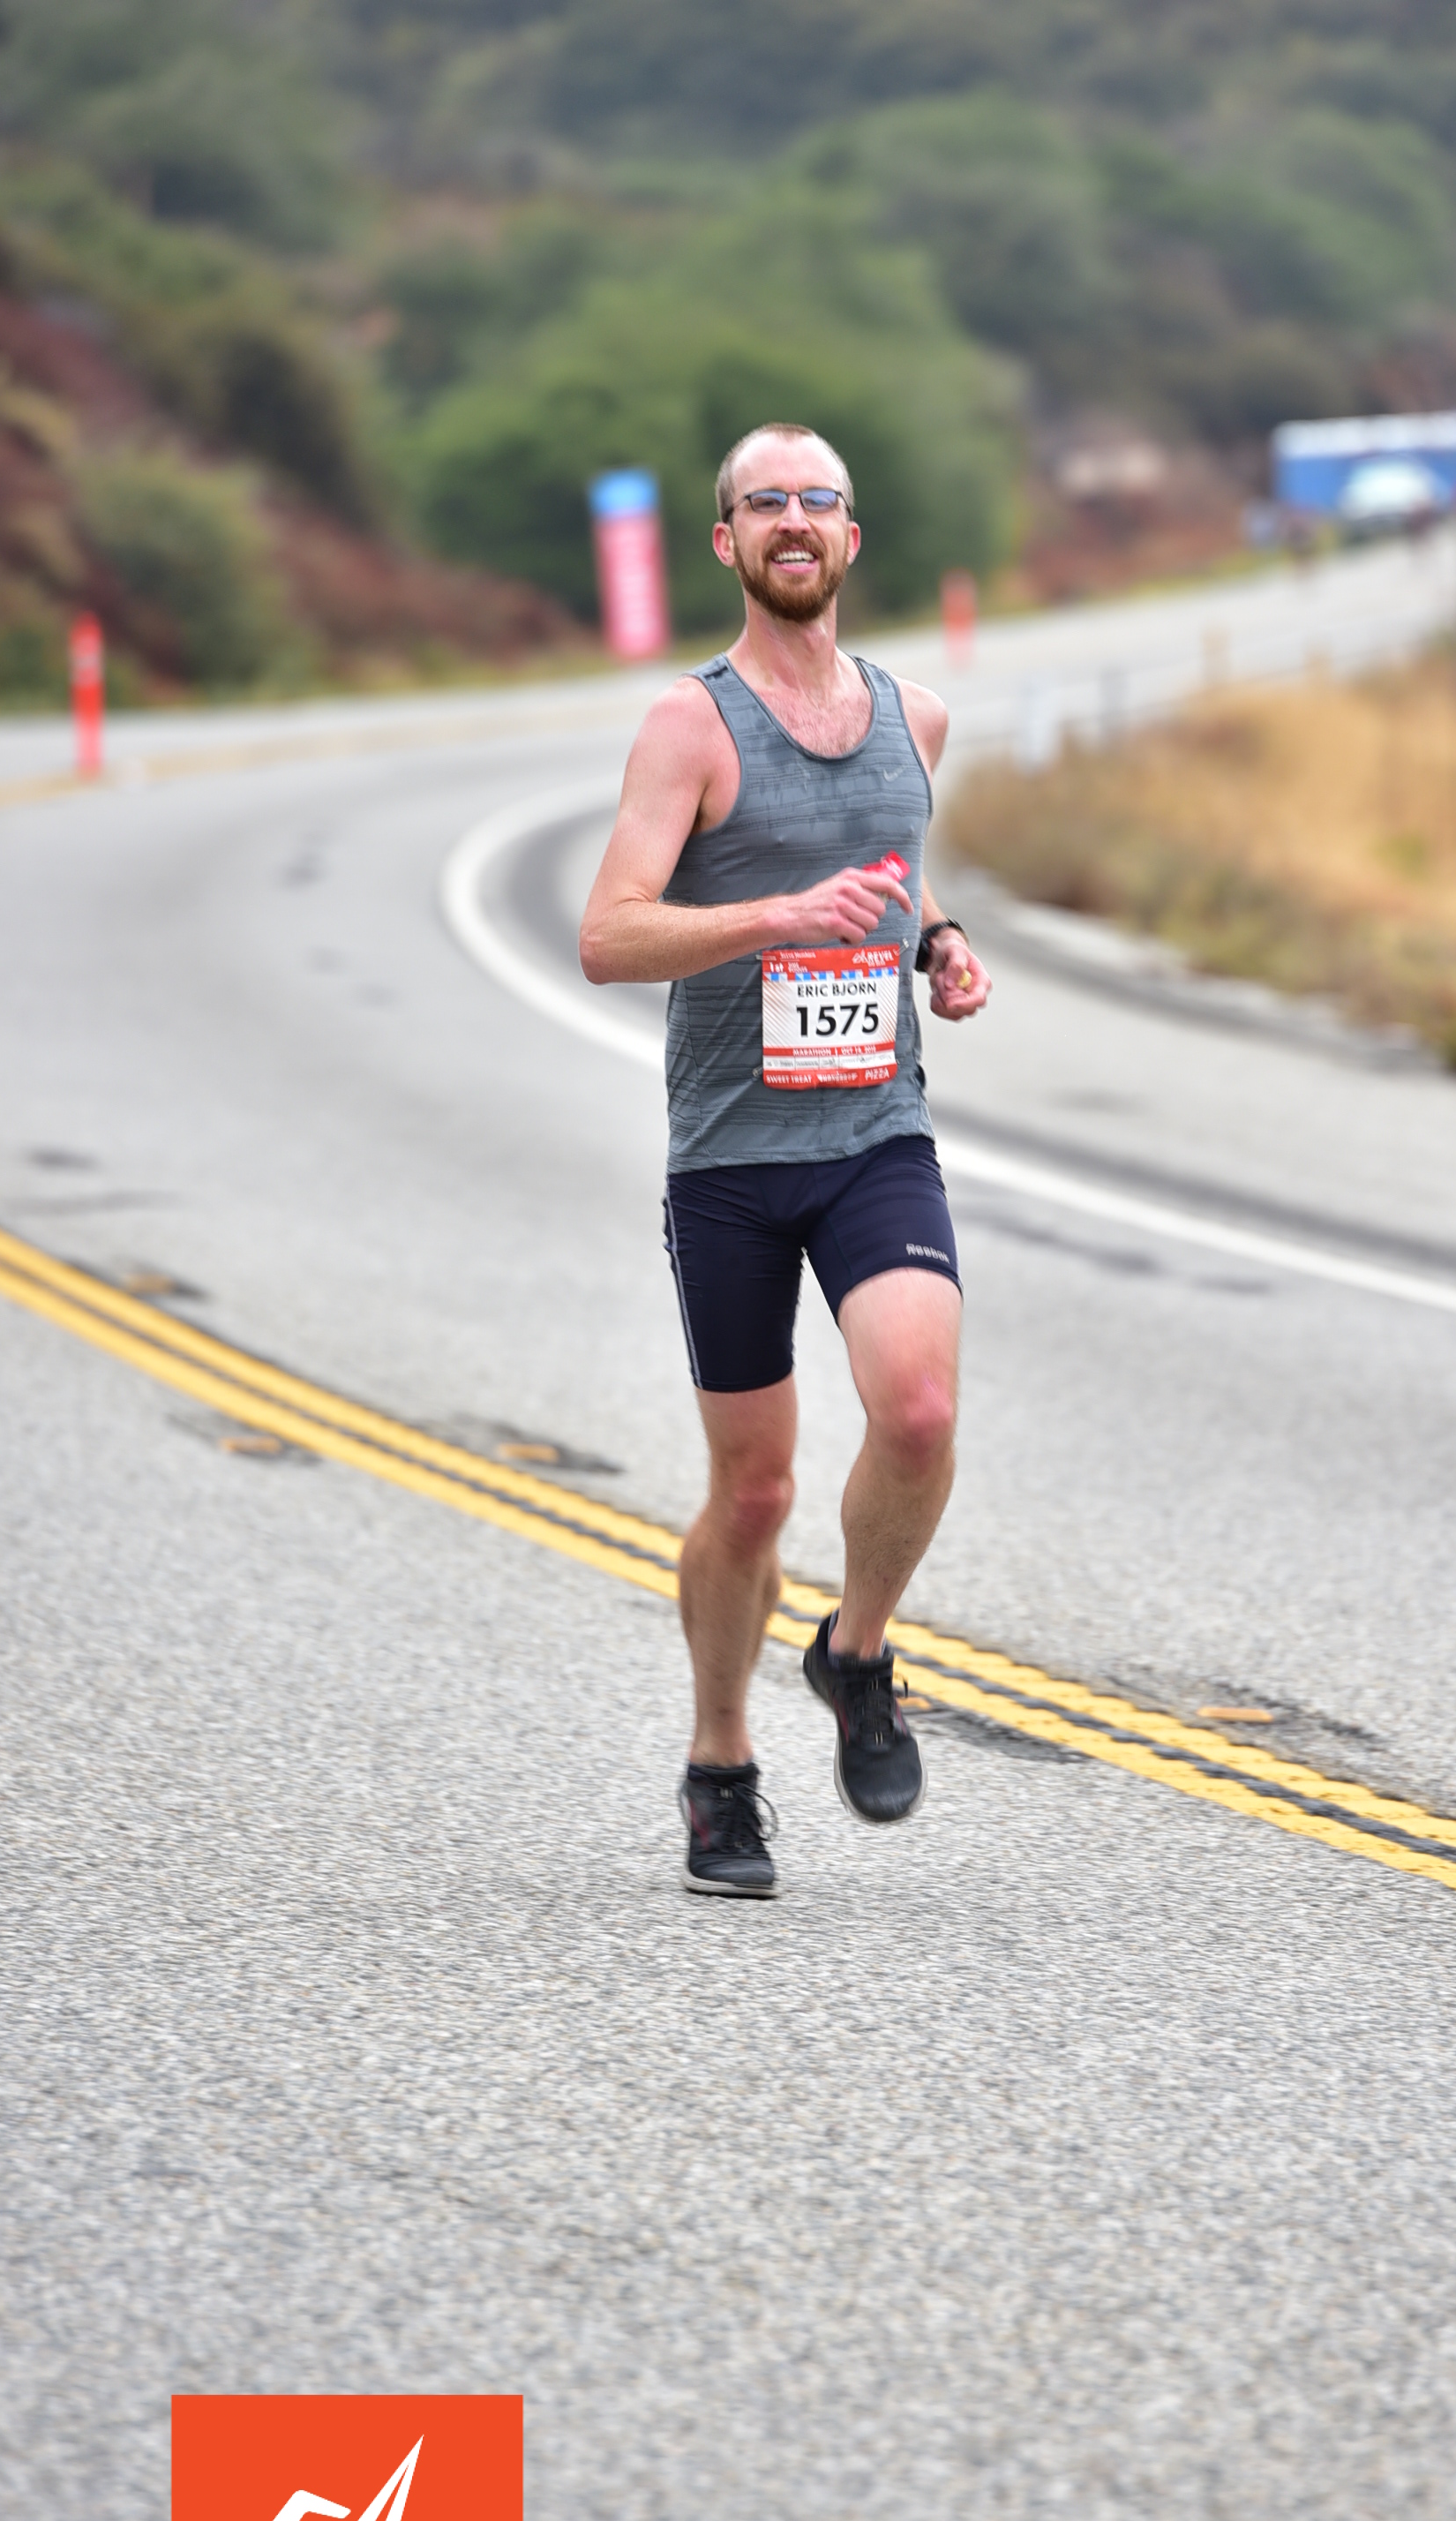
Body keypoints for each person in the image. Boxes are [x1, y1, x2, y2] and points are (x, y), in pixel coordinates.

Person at [580, 421, 992, 1898]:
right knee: (752, 1494)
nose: (795, 521)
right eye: (767, 504)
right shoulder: (688, 728)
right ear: (730, 543)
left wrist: (936, 939)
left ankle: (856, 1653)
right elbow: (608, 934)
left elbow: (892, 866)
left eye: (819, 501)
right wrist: (775, 919)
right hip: (733, 1164)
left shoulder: (914, 718)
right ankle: (720, 1764)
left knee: (920, 1409)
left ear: (852, 538)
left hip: (874, 1131)